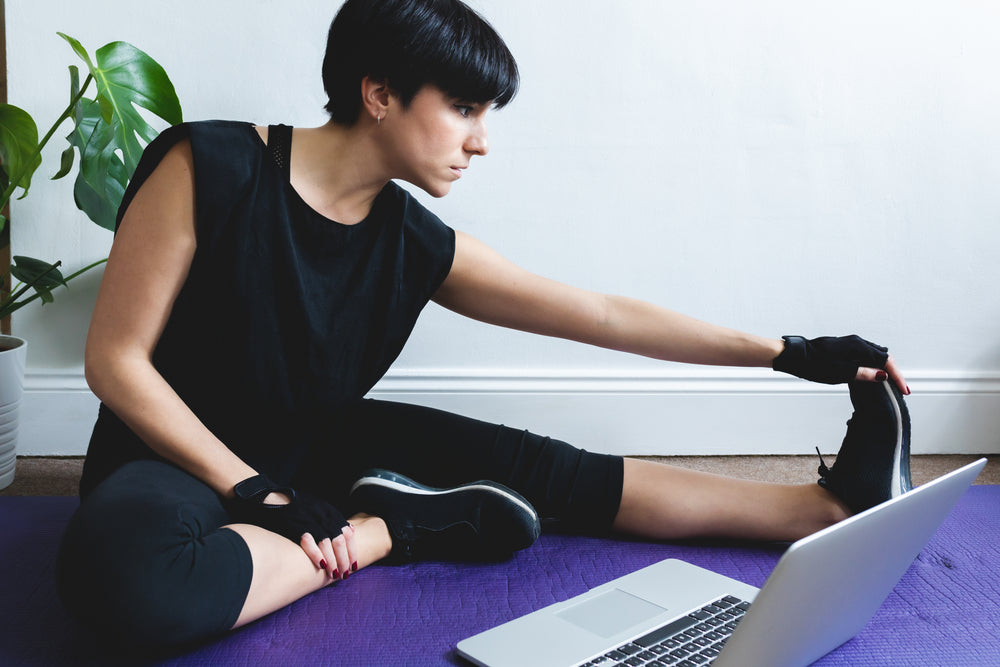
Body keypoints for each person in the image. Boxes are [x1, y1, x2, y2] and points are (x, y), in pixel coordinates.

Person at [56, 0, 910, 650]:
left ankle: (818, 510)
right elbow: (116, 362)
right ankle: (395, 527)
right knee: (124, 582)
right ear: (380, 92)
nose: (481, 141)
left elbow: (604, 314)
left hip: (320, 447)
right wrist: (261, 495)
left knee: (546, 469)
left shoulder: (414, 242)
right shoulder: (209, 164)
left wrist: (792, 354)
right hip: (168, 459)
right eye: (464, 107)